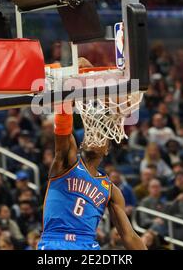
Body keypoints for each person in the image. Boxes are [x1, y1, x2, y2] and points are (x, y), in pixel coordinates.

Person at [37, 87, 147, 250]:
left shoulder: (111, 190)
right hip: (56, 240)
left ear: (107, 149)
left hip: (87, 244)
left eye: (101, 135)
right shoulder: (67, 162)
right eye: (90, 134)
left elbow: (129, 236)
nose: (94, 136)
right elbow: (62, 130)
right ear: (81, 144)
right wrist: (67, 88)